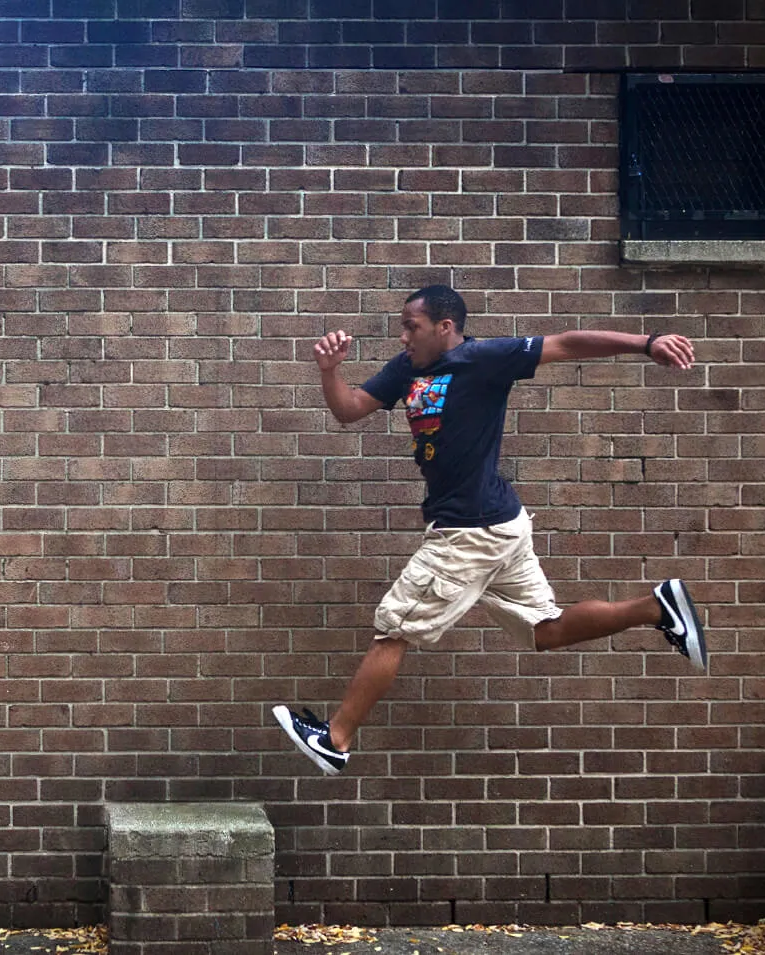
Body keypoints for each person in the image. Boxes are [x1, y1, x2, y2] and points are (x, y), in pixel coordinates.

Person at [273, 285, 707, 776]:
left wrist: (646, 342)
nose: (402, 335)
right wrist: (329, 371)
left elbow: (568, 343)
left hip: (469, 530)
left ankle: (335, 738)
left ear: (445, 327)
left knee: (394, 629)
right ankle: (656, 606)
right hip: (498, 525)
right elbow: (349, 408)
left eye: (411, 326)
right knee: (545, 630)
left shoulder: (485, 358)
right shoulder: (406, 368)